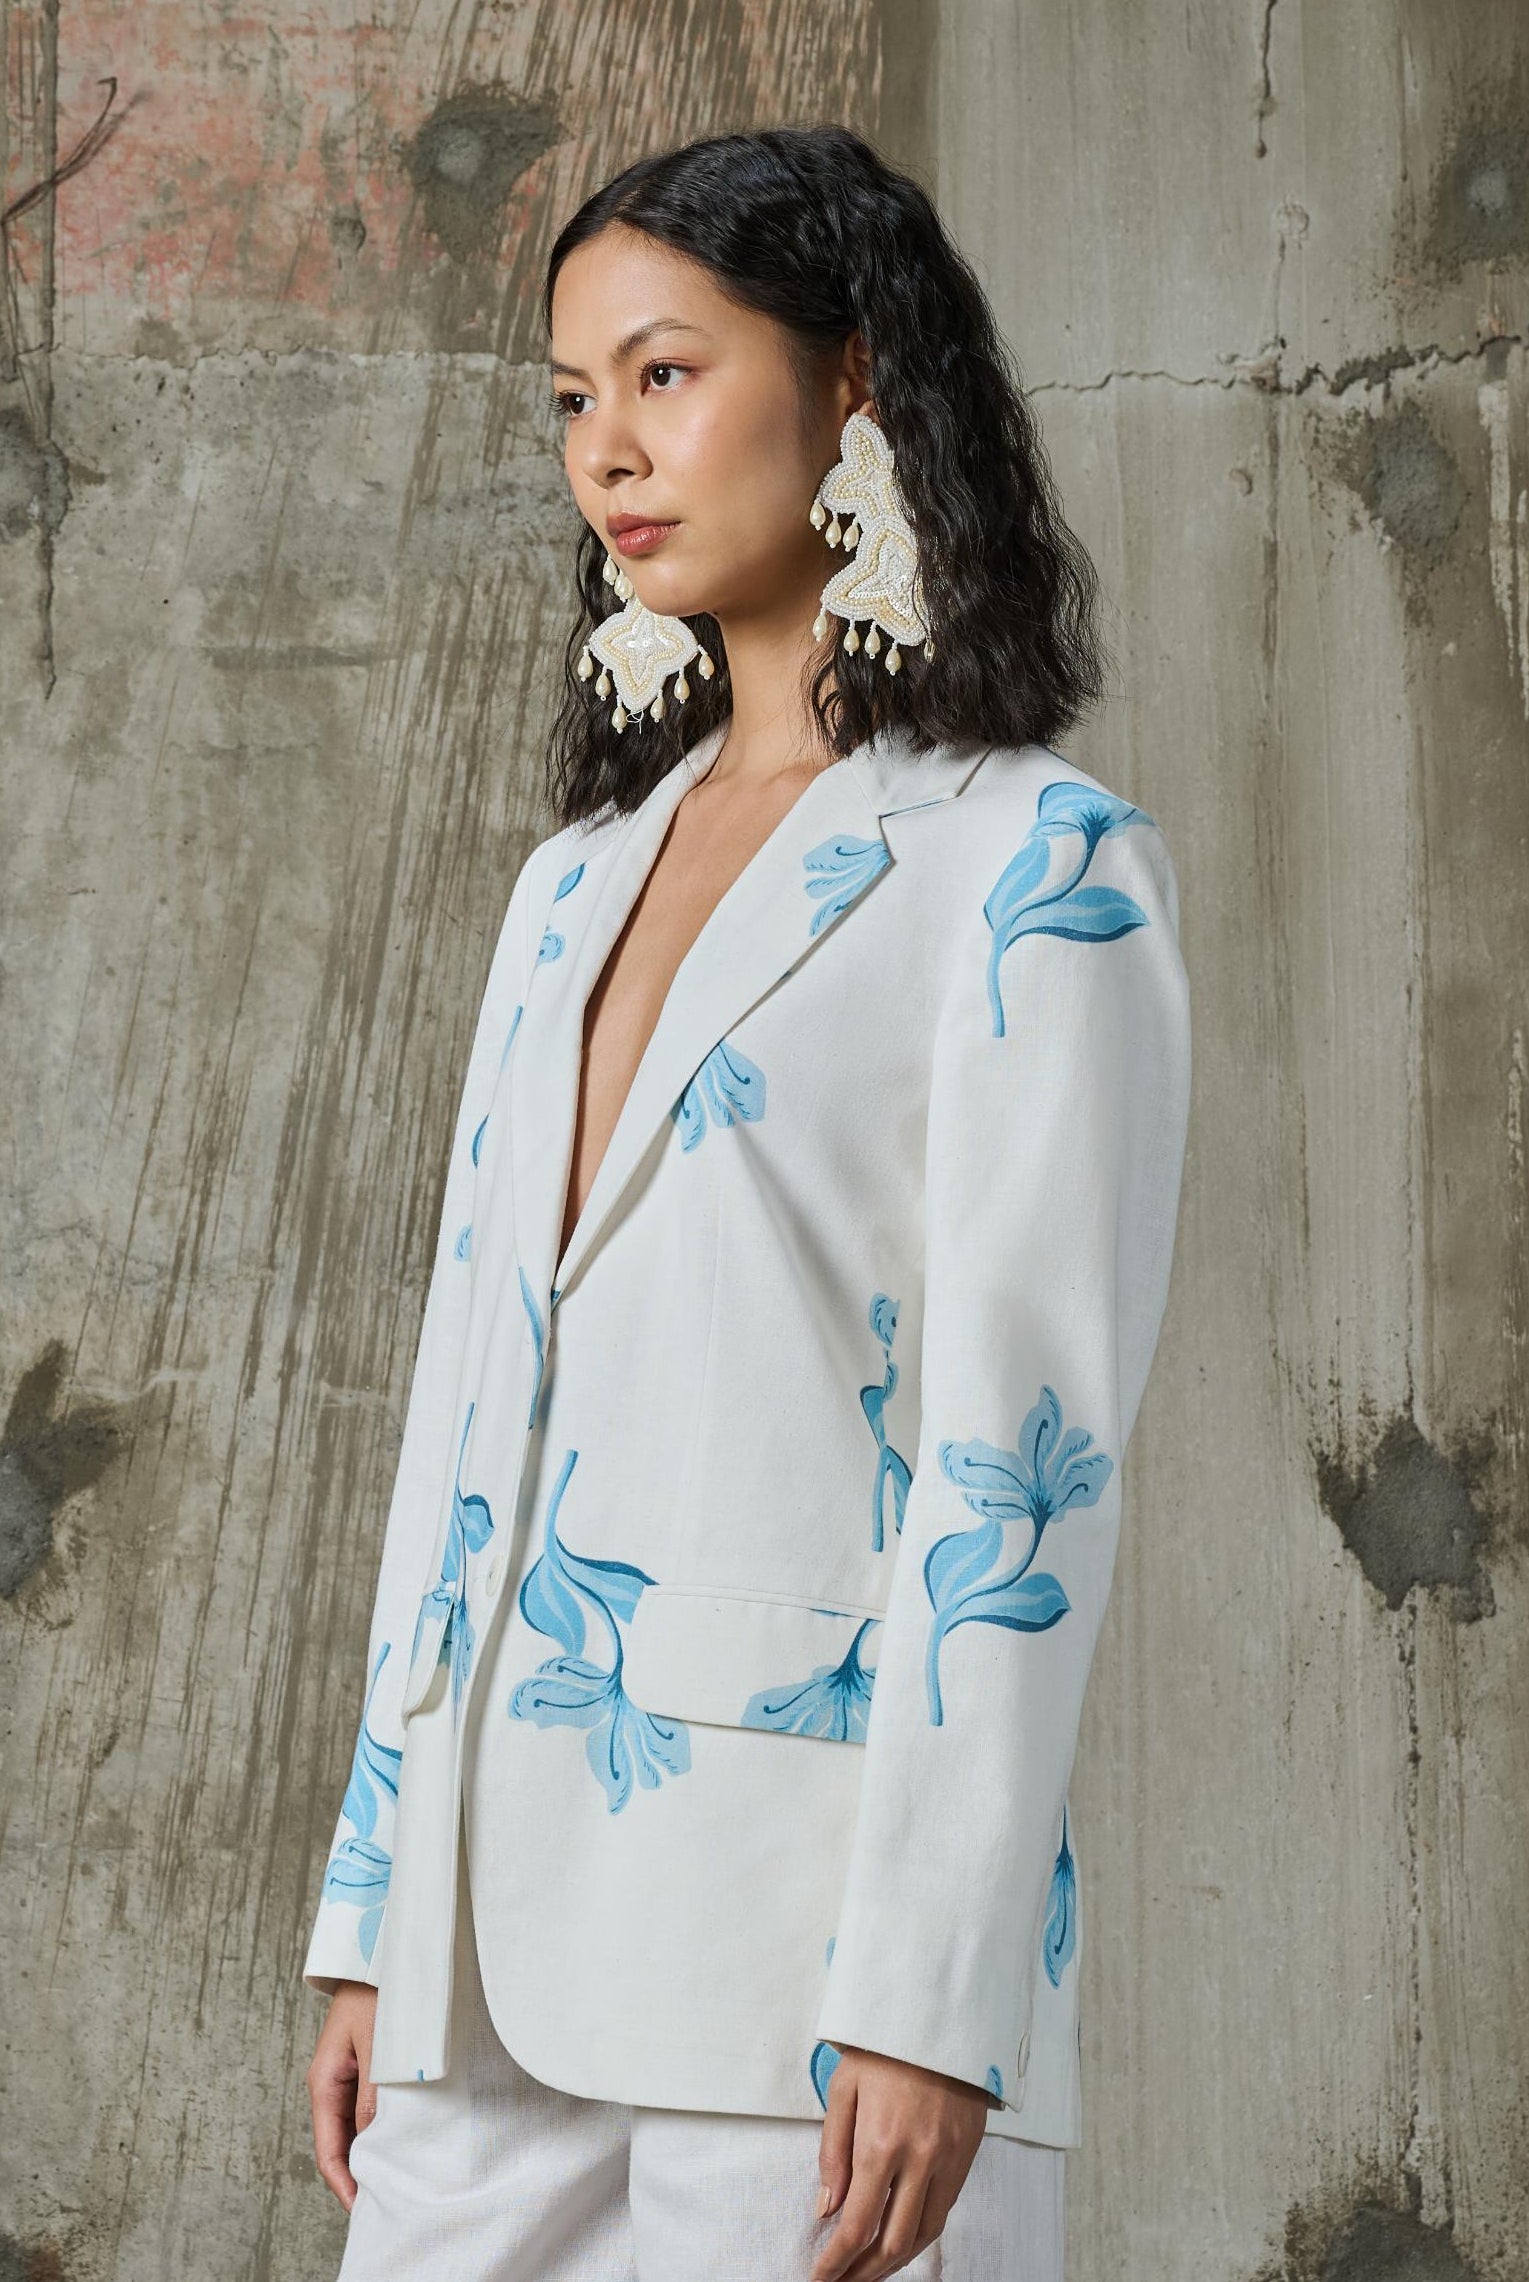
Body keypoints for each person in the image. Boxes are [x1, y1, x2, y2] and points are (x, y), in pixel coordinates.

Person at [302, 124, 1191, 2282]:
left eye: (666, 374)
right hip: (475, 1967)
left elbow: (1024, 1463)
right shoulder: (568, 884)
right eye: (573, 398)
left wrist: (937, 1986)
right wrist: (370, 1907)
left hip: (809, 1976)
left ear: (854, 379)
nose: (607, 448)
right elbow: (461, 1416)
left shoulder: (1032, 864)